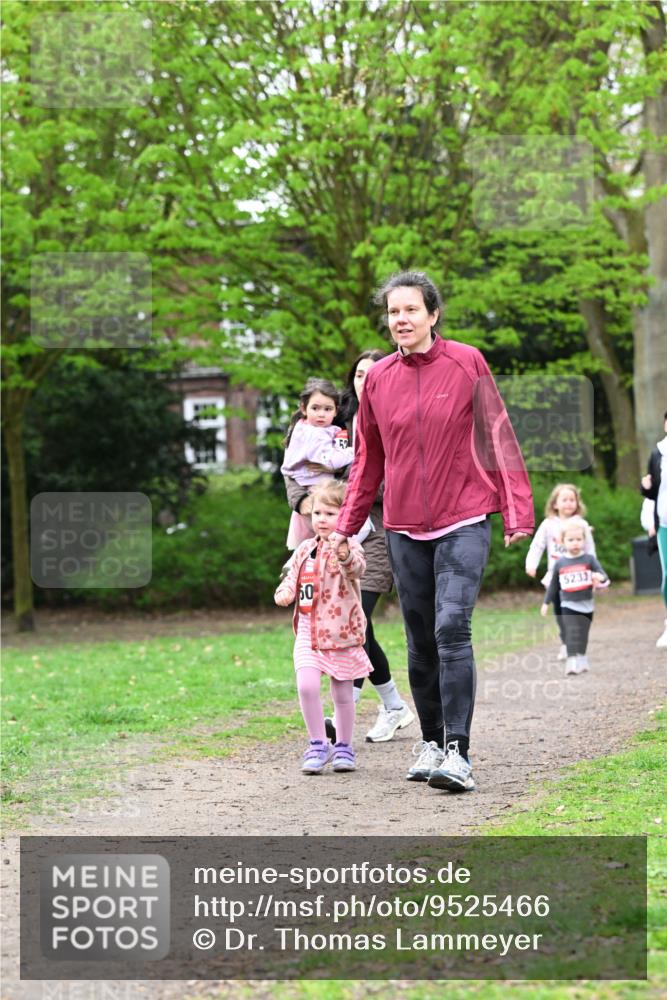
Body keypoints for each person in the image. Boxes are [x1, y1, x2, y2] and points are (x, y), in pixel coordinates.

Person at [329, 270, 534, 793]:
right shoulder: (378, 379)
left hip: (463, 516)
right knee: (419, 640)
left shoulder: (467, 362)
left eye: (410, 310)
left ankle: (459, 753)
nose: (400, 320)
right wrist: (345, 529)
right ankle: (432, 741)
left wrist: (517, 510)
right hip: (401, 524)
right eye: (393, 312)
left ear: (432, 314)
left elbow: (498, 434)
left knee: (451, 629)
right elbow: (368, 461)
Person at [286, 351, 415, 743]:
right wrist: (306, 503)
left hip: (374, 535)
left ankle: (370, 709)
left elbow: (392, 479)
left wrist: (352, 492)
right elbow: (294, 472)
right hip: (328, 539)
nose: (365, 379)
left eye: (371, 372)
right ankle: (390, 706)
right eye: (358, 374)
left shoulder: (395, 420)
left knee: (357, 619)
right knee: (353, 623)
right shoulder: (333, 425)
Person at [274, 480, 372, 775]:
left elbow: (357, 568)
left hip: (340, 632)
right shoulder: (305, 548)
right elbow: (292, 574)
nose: (321, 519)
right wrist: (286, 590)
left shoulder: (348, 546)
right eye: (317, 513)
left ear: (344, 516)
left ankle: (343, 745)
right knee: (306, 686)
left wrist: (344, 555)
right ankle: (318, 743)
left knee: (342, 694)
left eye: (330, 514)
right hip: (308, 630)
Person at [280, 378, 355, 549]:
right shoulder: (314, 434)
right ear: (303, 408)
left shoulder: (302, 428)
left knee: (312, 545)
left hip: (313, 491)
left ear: (336, 410)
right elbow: (329, 459)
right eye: (315, 408)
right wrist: (353, 452)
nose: (321, 414)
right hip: (317, 492)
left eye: (327, 409)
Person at [525, 483, 598, 660]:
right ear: (555, 503)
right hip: (556, 577)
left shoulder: (581, 524)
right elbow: (538, 545)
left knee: (577, 611)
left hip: (578, 577)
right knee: (560, 611)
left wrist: (594, 572)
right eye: (564, 499)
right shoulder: (548, 525)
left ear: (577, 503)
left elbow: (590, 549)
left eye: (572, 499)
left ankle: (578, 641)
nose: (568, 503)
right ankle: (566, 642)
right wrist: (531, 564)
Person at [541, 517, 609, 675]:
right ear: (562, 542)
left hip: (586, 603)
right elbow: (553, 586)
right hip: (568, 604)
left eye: (579, 539)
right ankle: (571, 662)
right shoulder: (560, 563)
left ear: (584, 540)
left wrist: (599, 577)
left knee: (583, 634)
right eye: (571, 540)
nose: (575, 543)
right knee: (571, 631)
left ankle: (582, 657)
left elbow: (604, 575)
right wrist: (546, 603)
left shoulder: (589, 559)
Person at [640, 410, 667, 648]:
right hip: (665, 523)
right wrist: (645, 486)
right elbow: (652, 491)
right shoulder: (658, 452)